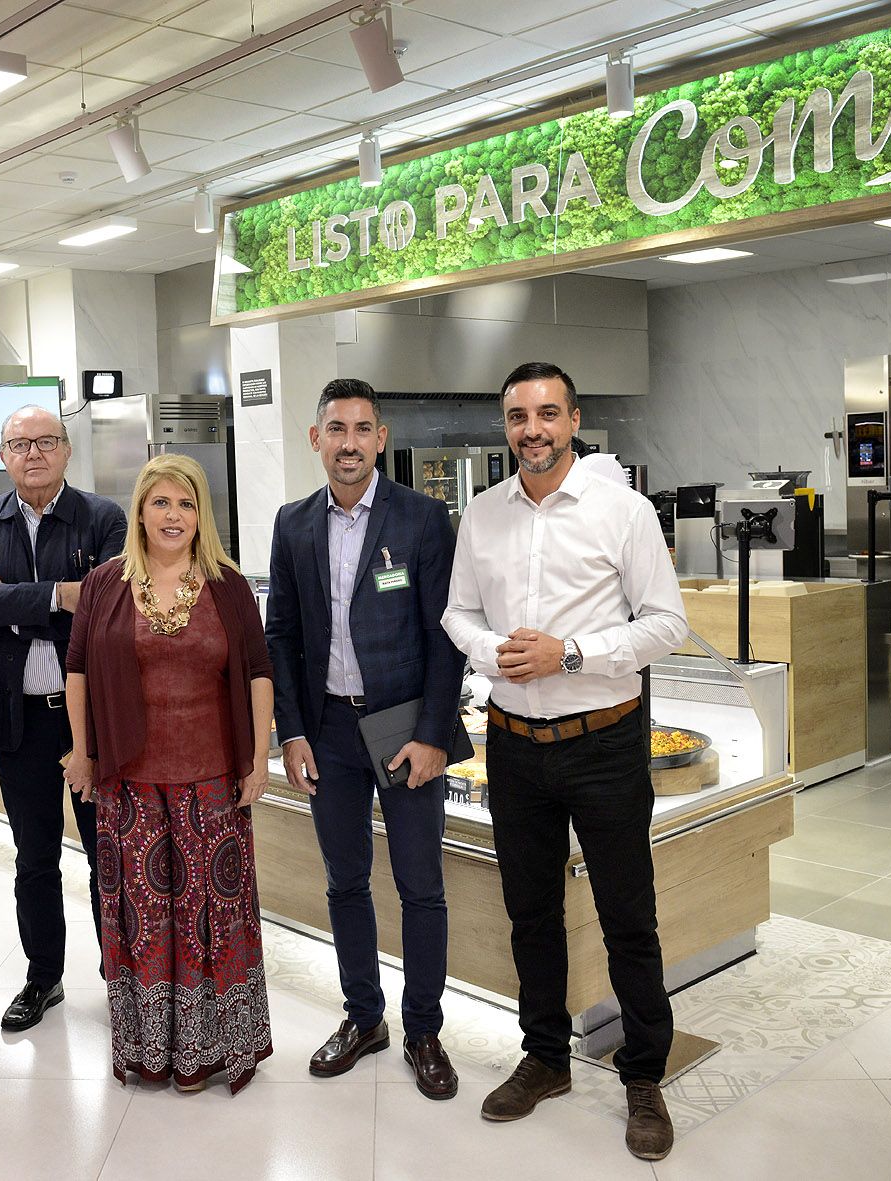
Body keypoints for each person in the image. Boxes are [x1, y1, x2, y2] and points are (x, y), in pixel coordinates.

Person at [442, 362, 687, 1162]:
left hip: (605, 744)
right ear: (505, 425)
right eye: (519, 416)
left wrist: (570, 652)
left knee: (628, 918)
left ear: (574, 419)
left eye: (548, 413)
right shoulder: (483, 514)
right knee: (531, 913)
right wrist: (492, 652)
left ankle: (643, 1074)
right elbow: (457, 611)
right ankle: (545, 1057)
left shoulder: (624, 511)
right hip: (513, 746)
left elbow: (666, 623)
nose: (533, 429)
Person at [265, 378, 470, 1100]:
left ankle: (423, 1030)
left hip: (404, 728)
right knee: (345, 880)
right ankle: (364, 1017)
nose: (348, 443)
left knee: (421, 885)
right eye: (336, 429)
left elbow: (447, 638)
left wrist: (434, 736)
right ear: (315, 439)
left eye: (361, 429)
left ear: (380, 438)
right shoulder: (293, 523)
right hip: (327, 730)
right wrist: (291, 731)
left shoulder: (423, 518)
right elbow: (281, 635)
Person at [65, 453, 275, 1094]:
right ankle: (151, 1050)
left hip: (212, 783)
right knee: (145, 919)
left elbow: (258, 673)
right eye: (160, 502)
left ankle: (211, 1050)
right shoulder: (104, 584)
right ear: (139, 512)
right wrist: (81, 751)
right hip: (128, 782)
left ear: (202, 514)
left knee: (214, 919)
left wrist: (258, 760)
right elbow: (78, 669)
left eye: (186, 503)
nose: (173, 515)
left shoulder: (228, 586)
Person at [0, 405, 126, 1033]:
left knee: (109, 855)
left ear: (67, 450)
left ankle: (121, 977)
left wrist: (12, 601)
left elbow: (107, 608)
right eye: (20, 444)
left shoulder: (103, 518)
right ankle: (43, 976)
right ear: (3, 455)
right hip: (17, 718)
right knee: (34, 857)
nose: (33, 453)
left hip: (92, 722)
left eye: (46, 441)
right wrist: (58, 595)